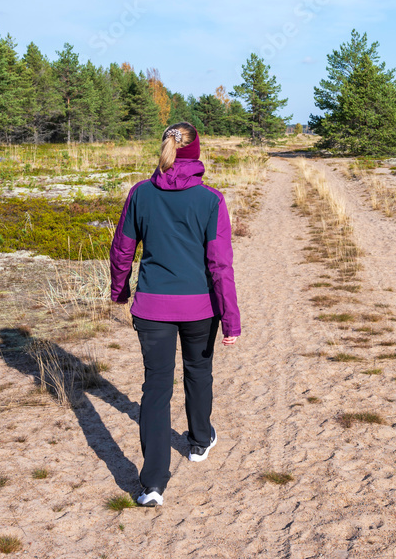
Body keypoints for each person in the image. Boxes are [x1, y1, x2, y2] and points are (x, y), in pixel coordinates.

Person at [109, 122, 241, 507]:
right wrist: (231, 320)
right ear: (196, 153)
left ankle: (152, 485)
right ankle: (199, 442)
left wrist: (120, 289)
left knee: (156, 387)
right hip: (200, 308)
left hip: (152, 308)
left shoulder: (140, 194)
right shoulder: (211, 200)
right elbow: (220, 266)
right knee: (199, 372)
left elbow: (122, 249)